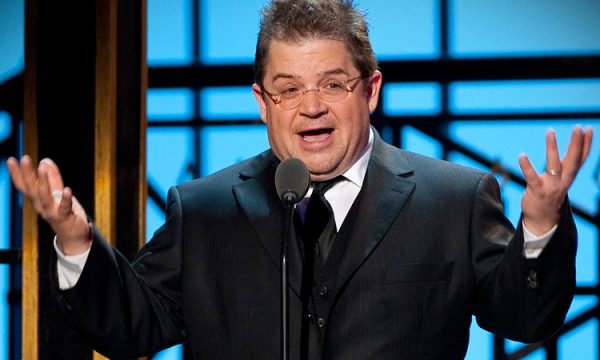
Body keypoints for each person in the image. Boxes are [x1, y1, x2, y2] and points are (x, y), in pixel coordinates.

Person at [6, 0, 594, 359]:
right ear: (262, 102)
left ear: (371, 90)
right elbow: (132, 327)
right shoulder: (205, 209)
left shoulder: (454, 200)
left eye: (333, 84)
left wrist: (539, 227)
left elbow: (522, 317)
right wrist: (77, 242)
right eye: (288, 89)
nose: (310, 107)